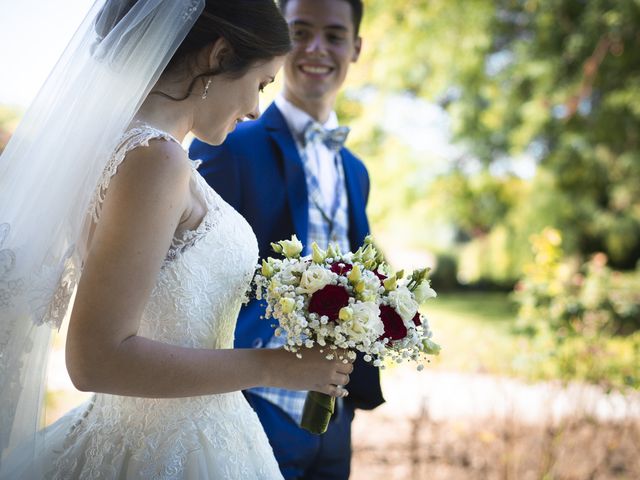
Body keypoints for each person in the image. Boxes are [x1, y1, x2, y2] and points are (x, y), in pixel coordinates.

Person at [0, 1, 354, 478]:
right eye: (260, 84)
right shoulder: (155, 160)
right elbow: (95, 359)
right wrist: (275, 367)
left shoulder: (144, 151)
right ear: (218, 55)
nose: (254, 109)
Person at [189, 0, 384, 478]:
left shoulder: (355, 171)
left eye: (334, 35)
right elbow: (188, 281)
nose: (317, 48)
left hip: (335, 414)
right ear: (278, 41)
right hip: (250, 407)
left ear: (355, 48)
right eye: (301, 31)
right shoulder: (227, 143)